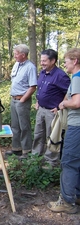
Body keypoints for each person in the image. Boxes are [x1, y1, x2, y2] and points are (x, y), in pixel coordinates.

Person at [47, 48, 80, 214]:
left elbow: (76, 102)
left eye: (67, 61)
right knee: (77, 162)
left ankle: (67, 202)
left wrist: (63, 104)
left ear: (75, 61)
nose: (65, 64)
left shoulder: (77, 77)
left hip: (76, 126)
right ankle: (77, 195)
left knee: (68, 162)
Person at [26, 49, 70, 164]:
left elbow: (69, 92)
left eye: (44, 61)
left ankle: (51, 161)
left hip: (53, 111)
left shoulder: (61, 76)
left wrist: (59, 107)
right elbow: (40, 89)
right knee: (38, 134)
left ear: (53, 61)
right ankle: (36, 156)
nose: (42, 63)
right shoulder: (42, 72)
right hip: (41, 109)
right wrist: (38, 101)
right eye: (41, 60)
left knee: (52, 136)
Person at [5, 44, 37, 157]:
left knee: (24, 126)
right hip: (13, 100)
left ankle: (26, 150)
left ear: (23, 55)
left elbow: (33, 87)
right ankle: (16, 148)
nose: (14, 56)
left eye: (16, 54)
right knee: (14, 126)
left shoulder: (30, 67)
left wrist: (23, 99)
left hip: (22, 100)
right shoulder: (16, 64)